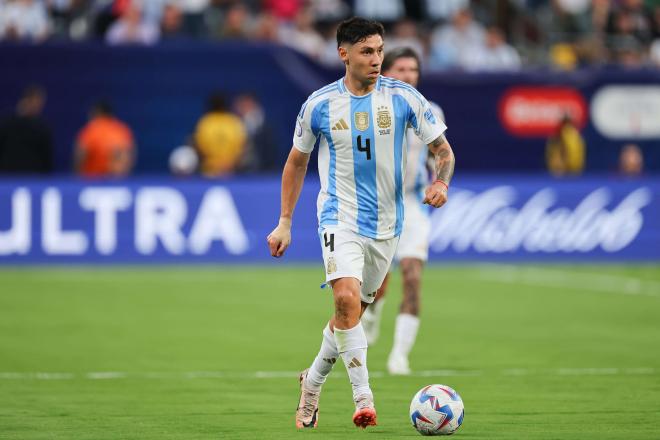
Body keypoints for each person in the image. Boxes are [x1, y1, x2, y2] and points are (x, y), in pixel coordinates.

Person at [266, 17, 455, 430]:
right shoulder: (319, 105)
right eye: (367, 52)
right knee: (346, 299)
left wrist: (441, 181)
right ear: (344, 54)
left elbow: (443, 151)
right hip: (338, 215)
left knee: (350, 313)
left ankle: (312, 381)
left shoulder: (404, 98)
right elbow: (296, 162)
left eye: (379, 51)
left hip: (388, 224)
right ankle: (363, 397)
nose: (376, 59)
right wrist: (284, 222)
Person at [360, 47, 445, 376]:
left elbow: (440, 151)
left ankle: (399, 356)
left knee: (412, 276)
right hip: (376, 204)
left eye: (413, 70)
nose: (408, 75)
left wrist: (439, 182)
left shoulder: (429, 109)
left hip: (412, 203)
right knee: (376, 284)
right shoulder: (367, 106)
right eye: (401, 69)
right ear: (385, 71)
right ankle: (372, 311)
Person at [0, 85, 53, 174]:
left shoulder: (43, 128)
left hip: (33, 178)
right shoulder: (6, 124)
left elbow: (47, 157)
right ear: (26, 100)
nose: (39, 107)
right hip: (7, 178)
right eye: (37, 102)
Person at [74, 101, 135, 177]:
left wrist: (77, 175)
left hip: (92, 180)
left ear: (98, 113)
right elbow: (128, 155)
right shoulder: (122, 129)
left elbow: (80, 155)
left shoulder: (91, 129)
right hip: (116, 180)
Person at [194, 92, 247, 177]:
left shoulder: (205, 122)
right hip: (230, 170)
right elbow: (241, 146)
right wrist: (228, 164)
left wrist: (214, 164)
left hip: (209, 170)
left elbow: (199, 146)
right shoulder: (233, 121)